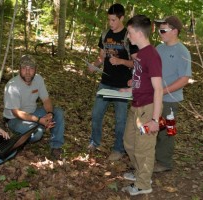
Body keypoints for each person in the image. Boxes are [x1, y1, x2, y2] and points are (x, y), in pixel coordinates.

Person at [87, 3, 138, 161]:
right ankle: (94, 142)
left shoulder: (128, 37)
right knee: (96, 115)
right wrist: (94, 65)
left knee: (120, 120)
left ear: (122, 18)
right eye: (109, 20)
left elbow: (136, 63)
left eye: (114, 20)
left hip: (122, 86)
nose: (111, 23)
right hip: (105, 82)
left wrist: (121, 61)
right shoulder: (105, 35)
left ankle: (118, 149)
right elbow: (101, 57)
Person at [121, 15, 163, 196]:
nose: (128, 36)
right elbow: (141, 81)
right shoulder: (141, 54)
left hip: (147, 109)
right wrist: (130, 90)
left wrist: (155, 119)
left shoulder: (152, 55)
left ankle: (143, 183)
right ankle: (140, 173)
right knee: (129, 142)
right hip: (136, 105)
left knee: (143, 148)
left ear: (138, 33)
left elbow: (158, 89)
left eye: (130, 33)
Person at [3, 54, 65, 160]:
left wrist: (50, 114)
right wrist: (39, 120)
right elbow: (16, 113)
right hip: (14, 119)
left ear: (35, 69)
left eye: (31, 68)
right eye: (24, 68)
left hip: (34, 113)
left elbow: (46, 100)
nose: (27, 72)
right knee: (37, 134)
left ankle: (56, 146)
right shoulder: (12, 85)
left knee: (58, 112)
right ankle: (34, 128)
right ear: (19, 69)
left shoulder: (38, 79)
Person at [154, 16, 192, 172]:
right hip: (154, 99)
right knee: (152, 129)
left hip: (170, 101)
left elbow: (184, 79)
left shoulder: (183, 52)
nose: (160, 32)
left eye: (163, 30)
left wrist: (162, 91)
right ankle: (150, 157)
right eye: (159, 29)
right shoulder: (159, 48)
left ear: (175, 31)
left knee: (167, 132)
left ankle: (164, 162)